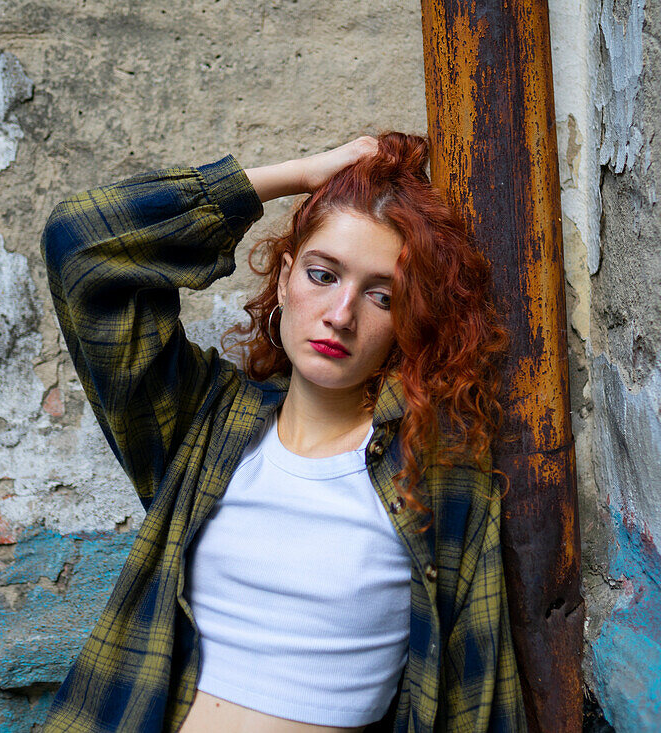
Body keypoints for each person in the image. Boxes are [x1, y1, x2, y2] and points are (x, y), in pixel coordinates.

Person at [38, 131, 526, 732]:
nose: (341, 314)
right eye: (323, 275)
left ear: (409, 322)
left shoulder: (435, 478)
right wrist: (297, 175)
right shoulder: (204, 425)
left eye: (381, 295)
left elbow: (480, 703)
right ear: (287, 276)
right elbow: (80, 244)